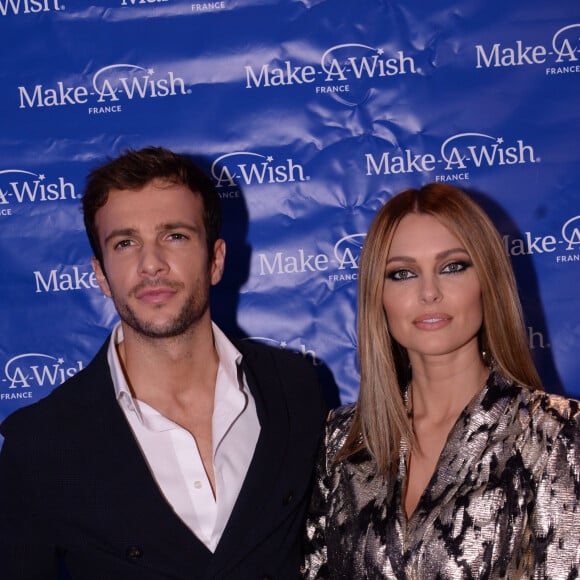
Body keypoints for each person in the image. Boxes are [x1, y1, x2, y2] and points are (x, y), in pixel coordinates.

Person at [0, 146, 326, 579]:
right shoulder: (40, 443)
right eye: (125, 243)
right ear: (100, 274)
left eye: (174, 236)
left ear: (216, 259)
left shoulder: (296, 389)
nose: (150, 264)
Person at [302, 183, 580, 578]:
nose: (429, 292)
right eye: (403, 274)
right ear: (377, 295)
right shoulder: (343, 441)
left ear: (487, 279)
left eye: (453, 267)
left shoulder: (556, 432)